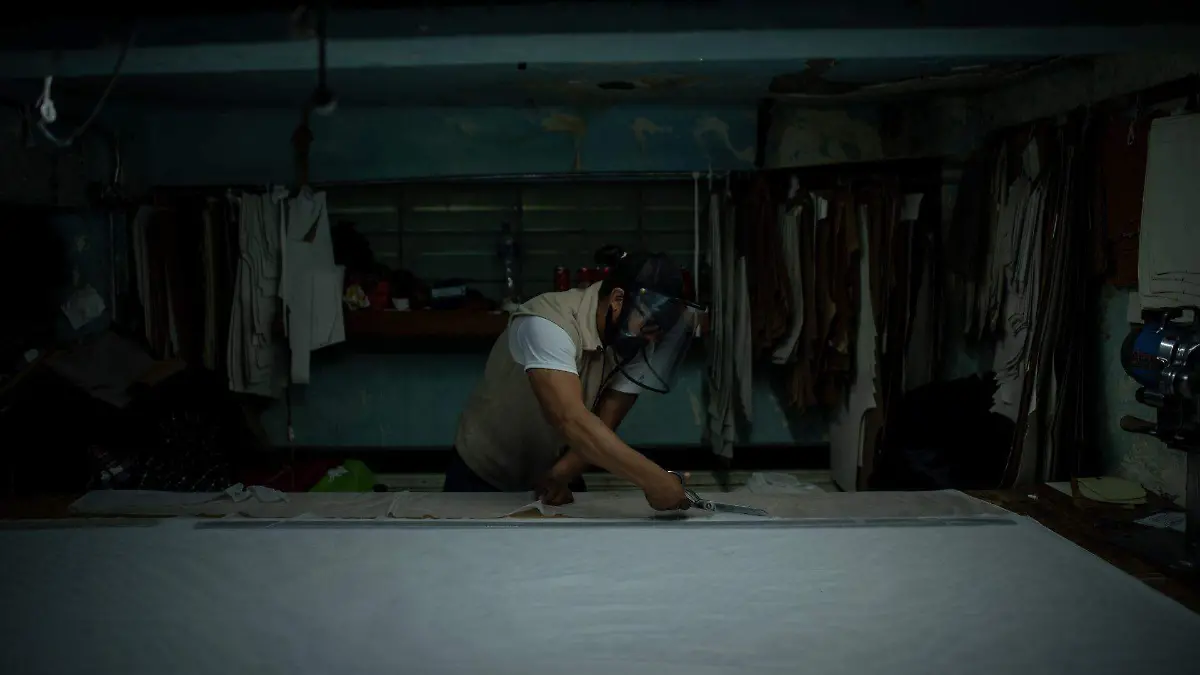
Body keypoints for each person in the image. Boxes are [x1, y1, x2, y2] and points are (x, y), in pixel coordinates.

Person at [445, 251, 705, 511]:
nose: (652, 340)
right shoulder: (548, 323)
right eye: (649, 326)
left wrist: (562, 473)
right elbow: (570, 419)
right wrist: (655, 480)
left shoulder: (636, 336)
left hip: (556, 465)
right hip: (483, 472)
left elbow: (605, 420)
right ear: (617, 300)